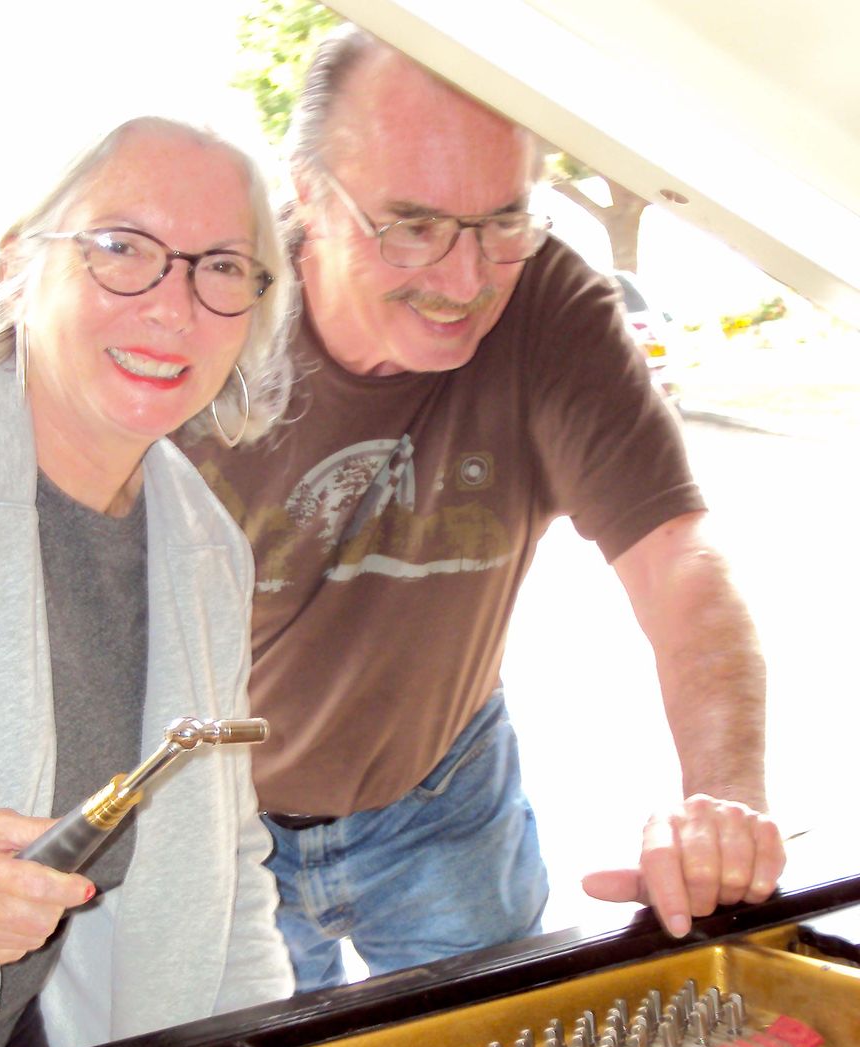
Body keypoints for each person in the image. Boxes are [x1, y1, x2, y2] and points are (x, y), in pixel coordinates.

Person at [183, 27, 785, 992]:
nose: (465, 284)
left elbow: (678, 560)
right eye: (412, 226)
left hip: (444, 796)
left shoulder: (548, 305)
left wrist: (723, 800)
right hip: (210, 822)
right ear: (306, 193)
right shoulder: (208, 305)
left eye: (502, 220)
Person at [0, 116, 296, 1047]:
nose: (172, 307)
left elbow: (226, 854)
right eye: (120, 248)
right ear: (15, 267)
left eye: (220, 267)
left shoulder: (206, 546)